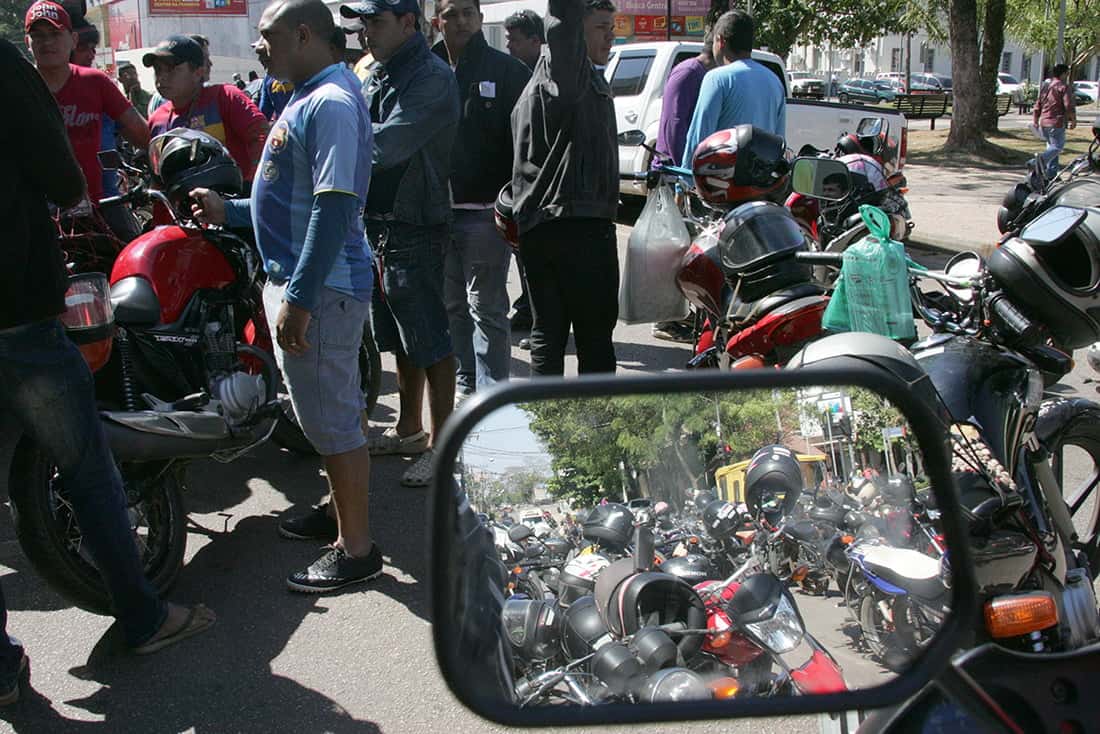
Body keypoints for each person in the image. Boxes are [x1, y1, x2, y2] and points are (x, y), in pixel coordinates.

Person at [0, 37, 215, 701]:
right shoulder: (4, 67)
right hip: (16, 312)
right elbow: (66, 178)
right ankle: (145, 616)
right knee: (89, 470)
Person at [191, 0, 380, 592]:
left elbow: (334, 204)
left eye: (267, 36)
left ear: (303, 34)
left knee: (333, 422)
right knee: (323, 416)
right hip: (308, 282)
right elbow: (290, 198)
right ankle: (335, 510)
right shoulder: (310, 94)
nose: (258, 47)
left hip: (320, 289)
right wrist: (234, 211)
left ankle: (357, 548)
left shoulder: (330, 102)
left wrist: (298, 297)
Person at [342, 0, 460, 487]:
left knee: (429, 338)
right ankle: (410, 428)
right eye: (364, 22)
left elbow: (384, 146)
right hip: (379, 223)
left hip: (415, 224)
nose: (366, 31)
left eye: (376, 21)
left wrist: (327, 147)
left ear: (408, 23)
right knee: (397, 336)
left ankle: (444, 444)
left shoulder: (431, 77)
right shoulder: (379, 72)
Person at [510, 0, 620, 376]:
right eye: (602, 26)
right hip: (576, 226)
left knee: (549, 334)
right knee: (592, 342)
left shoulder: (553, 78)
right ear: (576, 31)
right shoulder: (566, 72)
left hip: (548, 225)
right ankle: (591, 430)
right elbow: (562, 25)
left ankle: (550, 428)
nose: (611, 34)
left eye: (612, 26)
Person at [433, 0, 531, 398]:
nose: (460, 21)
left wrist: (515, 201)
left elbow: (528, 143)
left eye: (467, 14)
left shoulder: (506, 71)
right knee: (453, 305)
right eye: (451, 14)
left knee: (487, 308)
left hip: (486, 214)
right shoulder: (427, 70)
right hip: (436, 214)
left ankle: (492, 396)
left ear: (479, 18)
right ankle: (466, 382)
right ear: (437, 20)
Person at [25, 1, 149, 242]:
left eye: (54, 34)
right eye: (38, 36)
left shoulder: (96, 82)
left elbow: (142, 134)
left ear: (72, 39)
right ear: (28, 42)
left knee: (135, 259)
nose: (47, 42)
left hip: (99, 206)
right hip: (35, 214)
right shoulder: (16, 86)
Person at [650, 25, 716, 344]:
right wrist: (684, 178)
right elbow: (676, 127)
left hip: (689, 176)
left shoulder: (704, 75)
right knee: (675, 251)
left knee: (688, 247)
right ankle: (666, 318)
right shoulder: (688, 73)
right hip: (675, 175)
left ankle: (681, 314)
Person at [145, 35, 269, 184]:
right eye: (158, 70)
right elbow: (159, 179)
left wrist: (253, 183)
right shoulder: (157, 119)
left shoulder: (225, 97)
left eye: (171, 69)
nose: (162, 77)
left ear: (198, 72)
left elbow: (260, 135)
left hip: (232, 202)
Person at [681, 10, 786, 170]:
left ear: (720, 41)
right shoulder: (774, 81)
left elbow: (699, 138)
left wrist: (683, 182)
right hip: (761, 183)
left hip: (722, 183)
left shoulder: (716, 78)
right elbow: (779, 142)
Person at [501, 9, 544, 340]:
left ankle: (537, 315)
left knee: (532, 255)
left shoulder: (543, 79)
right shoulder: (513, 74)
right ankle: (528, 307)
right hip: (515, 182)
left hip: (536, 187)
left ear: (535, 40)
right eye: (506, 38)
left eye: (514, 39)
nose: (508, 44)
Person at [1033, 63, 1077, 179]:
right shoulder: (1063, 87)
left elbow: (1037, 105)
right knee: (1057, 147)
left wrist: (1036, 120)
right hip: (1056, 122)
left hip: (1044, 122)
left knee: (1051, 148)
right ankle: (1037, 162)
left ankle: (1051, 173)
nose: (1067, 76)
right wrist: (1073, 119)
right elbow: (1068, 105)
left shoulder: (1046, 87)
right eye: (1067, 73)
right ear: (1063, 74)